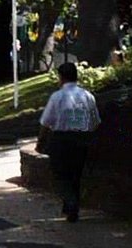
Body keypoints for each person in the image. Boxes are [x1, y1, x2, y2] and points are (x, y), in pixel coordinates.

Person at [39, 61, 100, 222]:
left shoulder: (57, 97)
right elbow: (95, 122)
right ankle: (72, 203)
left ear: (61, 77)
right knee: (76, 173)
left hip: (61, 139)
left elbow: (46, 122)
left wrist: (40, 143)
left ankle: (70, 202)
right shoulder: (87, 96)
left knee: (60, 174)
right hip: (82, 139)